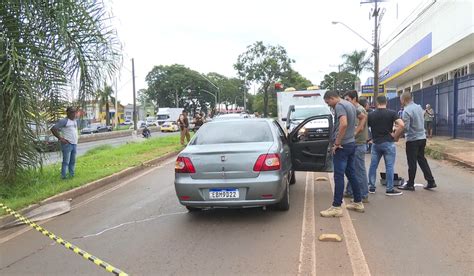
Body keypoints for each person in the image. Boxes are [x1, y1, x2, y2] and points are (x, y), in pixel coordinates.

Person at [320, 91, 364, 217]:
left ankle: (336, 207)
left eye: (328, 102)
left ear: (332, 98)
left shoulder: (339, 106)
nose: (329, 106)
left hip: (343, 146)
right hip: (351, 144)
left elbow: (343, 124)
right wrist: (356, 132)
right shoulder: (350, 104)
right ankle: (358, 202)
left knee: (338, 176)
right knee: (351, 173)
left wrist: (337, 143)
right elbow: (363, 117)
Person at [399, 92, 437, 191]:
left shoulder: (406, 111)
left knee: (412, 162)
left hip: (412, 139)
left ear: (404, 99)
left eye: (401, 100)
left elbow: (406, 128)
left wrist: (397, 132)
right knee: (421, 159)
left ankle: (410, 183)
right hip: (422, 137)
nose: (400, 102)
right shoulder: (419, 107)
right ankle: (431, 181)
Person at [367, 95, 405, 196]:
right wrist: (395, 136)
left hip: (376, 143)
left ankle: (371, 187)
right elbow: (401, 125)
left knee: (373, 166)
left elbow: (366, 128)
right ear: (386, 102)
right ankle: (389, 189)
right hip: (388, 142)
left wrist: (369, 138)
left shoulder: (371, 115)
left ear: (376, 103)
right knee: (389, 166)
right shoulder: (391, 113)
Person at [343, 91, 369, 203]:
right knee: (351, 169)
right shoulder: (354, 109)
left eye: (348, 99)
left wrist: (350, 135)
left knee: (359, 170)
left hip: (358, 143)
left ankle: (363, 194)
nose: (346, 102)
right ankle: (350, 191)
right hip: (356, 143)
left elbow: (360, 127)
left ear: (354, 99)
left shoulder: (359, 110)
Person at [51, 107, 78, 179]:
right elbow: (53, 129)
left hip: (74, 144)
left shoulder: (74, 121)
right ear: (68, 113)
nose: (74, 114)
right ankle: (63, 177)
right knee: (66, 162)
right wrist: (60, 138)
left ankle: (72, 176)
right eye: (72, 112)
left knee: (72, 161)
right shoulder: (64, 121)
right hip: (67, 144)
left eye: (75, 112)